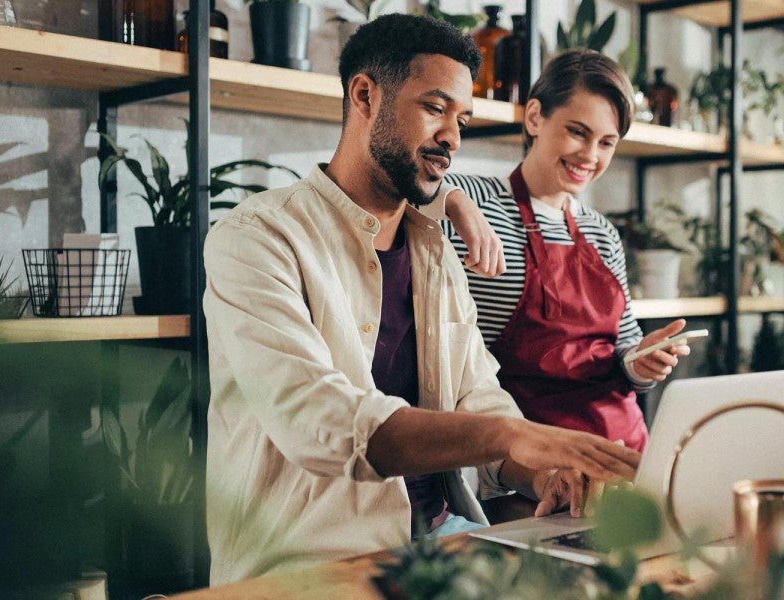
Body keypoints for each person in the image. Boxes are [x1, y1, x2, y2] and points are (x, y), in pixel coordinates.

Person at [202, 15, 640, 585]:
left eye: (462, 119)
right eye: (435, 109)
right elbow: (320, 420)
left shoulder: (434, 249)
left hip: (442, 546)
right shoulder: (256, 239)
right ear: (365, 95)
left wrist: (539, 473)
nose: (453, 138)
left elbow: (477, 396)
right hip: (307, 569)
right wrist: (514, 435)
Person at [441, 50, 692, 452]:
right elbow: (402, 186)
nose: (590, 156)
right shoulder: (475, 202)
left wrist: (642, 362)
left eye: (607, 143)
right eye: (578, 132)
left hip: (624, 447)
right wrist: (452, 200)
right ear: (535, 117)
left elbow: (623, 355)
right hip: (528, 456)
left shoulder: (602, 232)